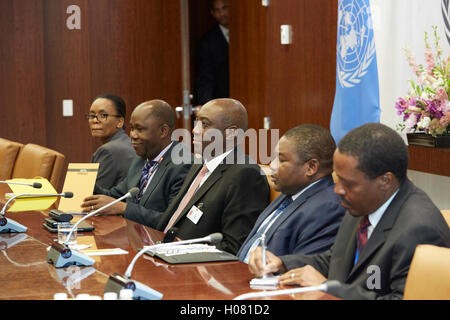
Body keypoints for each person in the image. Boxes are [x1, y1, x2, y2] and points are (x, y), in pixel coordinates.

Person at [248, 123, 450, 300]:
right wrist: (282, 263)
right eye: (338, 179)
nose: (337, 190)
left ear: (385, 181)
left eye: (348, 183)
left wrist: (329, 289)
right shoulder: (364, 202)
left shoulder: (419, 229)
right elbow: (335, 258)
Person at [156, 98, 270, 255]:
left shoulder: (245, 175)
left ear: (231, 133)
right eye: (196, 122)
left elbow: (234, 247)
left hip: (193, 267)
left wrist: (187, 251)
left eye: (205, 124)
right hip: (161, 250)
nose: (194, 130)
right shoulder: (201, 163)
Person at [236, 125, 345, 262]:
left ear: (311, 167)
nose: (272, 166)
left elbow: (303, 268)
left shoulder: (328, 208)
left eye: (281, 160)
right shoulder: (289, 192)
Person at [81, 100, 192, 228]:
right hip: (132, 236)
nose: (133, 135)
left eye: (140, 129)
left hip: (157, 243)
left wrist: (124, 208)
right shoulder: (141, 159)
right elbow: (116, 196)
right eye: (132, 128)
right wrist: (86, 182)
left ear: (163, 131)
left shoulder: (183, 164)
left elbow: (171, 221)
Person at [86, 94, 135, 189]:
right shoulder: (126, 142)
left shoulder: (108, 151)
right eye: (92, 115)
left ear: (120, 122)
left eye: (103, 115)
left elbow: (92, 195)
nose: (95, 120)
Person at [194, 0, 230, 106]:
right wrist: (206, 106)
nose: (222, 13)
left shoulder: (246, 32)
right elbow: (205, 78)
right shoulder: (207, 42)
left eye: (225, 8)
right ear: (212, 14)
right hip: (221, 101)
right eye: (217, 10)